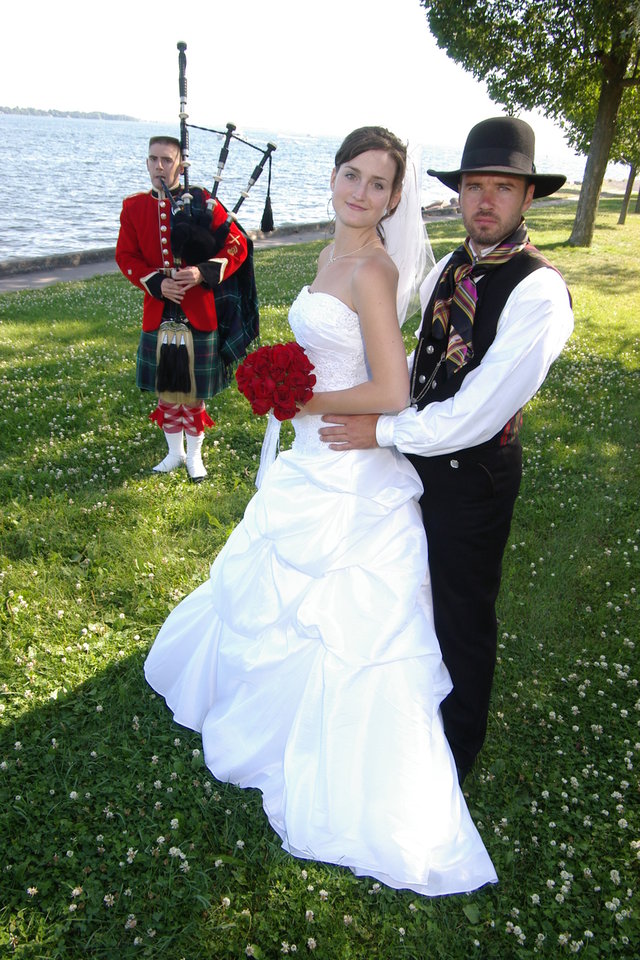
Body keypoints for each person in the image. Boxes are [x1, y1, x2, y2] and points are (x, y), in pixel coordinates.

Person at [144, 126, 498, 896]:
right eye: (351, 175)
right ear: (333, 176)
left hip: (349, 468)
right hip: (311, 454)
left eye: (378, 184)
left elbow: (390, 393)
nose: (361, 192)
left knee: (344, 618)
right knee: (273, 584)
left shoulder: (372, 269)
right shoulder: (328, 255)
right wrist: (291, 384)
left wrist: (298, 396)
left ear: (395, 198)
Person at [319, 117, 575, 783]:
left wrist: (380, 431)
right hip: (408, 462)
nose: (485, 200)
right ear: (458, 193)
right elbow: (416, 362)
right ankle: (403, 717)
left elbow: (476, 412)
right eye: (474, 186)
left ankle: (455, 756)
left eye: (502, 188)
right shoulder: (451, 268)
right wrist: (351, 392)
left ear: (527, 198)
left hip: (472, 477)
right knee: (407, 594)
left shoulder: (539, 291)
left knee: (462, 612)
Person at [116, 135, 250, 480]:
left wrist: (201, 272)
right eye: (153, 159)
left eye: (166, 160)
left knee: (192, 393)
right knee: (166, 388)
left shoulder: (203, 202)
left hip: (198, 310)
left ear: (180, 164)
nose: (159, 166)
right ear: (147, 162)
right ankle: (173, 453)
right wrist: (157, 283)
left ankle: (195, 457)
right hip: (158, 310)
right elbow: (125, 256)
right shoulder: (133, 207)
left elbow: (238, 245)